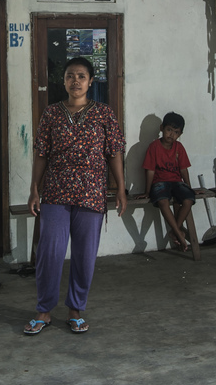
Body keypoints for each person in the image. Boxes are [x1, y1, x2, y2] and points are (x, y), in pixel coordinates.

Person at [25, 57, 126, 335]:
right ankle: (44, 311)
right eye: (70, 76)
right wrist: (35, 188)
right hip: (56, 191)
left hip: (92, 191)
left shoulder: (104, 113)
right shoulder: (51, 113)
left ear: (91, 81)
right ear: (64, 81)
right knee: (50, 252)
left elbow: (114, 152)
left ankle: (75, 309)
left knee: (84, 255)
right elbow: (41, 153)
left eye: (82, 76)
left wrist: (120, 188)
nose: (76, 81)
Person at [137, 112, 197, 252]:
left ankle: (174, 231)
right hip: (160, 183)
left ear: (180, 134)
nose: (171, 135)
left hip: (176, 182)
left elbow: (183, 170)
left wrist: (189, 188)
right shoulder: (154, 147)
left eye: (176, 132)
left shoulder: (179, 148)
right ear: (161, 128)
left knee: (189, 199)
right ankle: (180, 236)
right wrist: (147, 191)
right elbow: (150, 171)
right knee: (163, 201)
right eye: (169, 130)